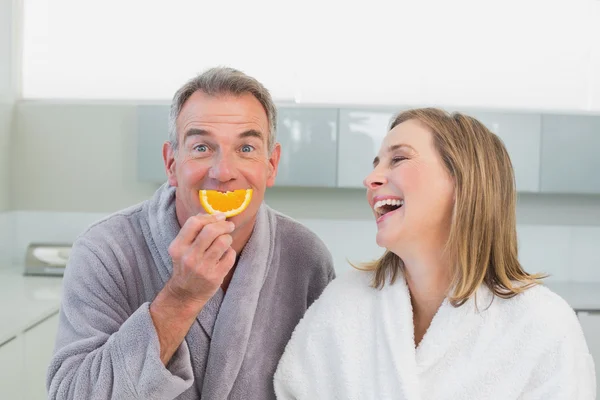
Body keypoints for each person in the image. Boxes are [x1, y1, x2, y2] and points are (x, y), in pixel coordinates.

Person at [47, 67, 336, 400]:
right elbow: (71, 394)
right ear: (171, 163)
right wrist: (180, 298)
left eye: (246, 149)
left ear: (271, 165)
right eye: (201, 148)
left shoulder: (306, 256)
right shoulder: (105, 250)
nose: (223, 172)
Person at [274, 108, 596, 399]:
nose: (370, 179)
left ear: (463, 181)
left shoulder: (543, 327)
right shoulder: (344, 303)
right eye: (376, 164)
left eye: (398, 159)